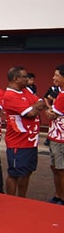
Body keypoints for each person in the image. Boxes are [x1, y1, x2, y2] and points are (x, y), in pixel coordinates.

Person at [1, 66, 45, 198]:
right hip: (18, 143)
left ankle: (22, 198)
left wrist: (33, 106)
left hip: (31, 142)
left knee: (27, 172)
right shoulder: (9, 95)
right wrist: (34, 107)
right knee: (15, 173)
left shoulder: (26, 91)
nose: (28, 79)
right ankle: (11, 199)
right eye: (25, 77)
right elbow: (30, 114)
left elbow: (41, 102)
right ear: (16, 79)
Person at [46, 64, 64, 204]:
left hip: (61, 138)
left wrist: (50, 113)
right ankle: (58, 194)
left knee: (61, 169)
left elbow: (52, 114)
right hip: (54, 136)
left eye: (57, 75)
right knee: (55, 168)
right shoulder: (59, 93)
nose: (54, 78)